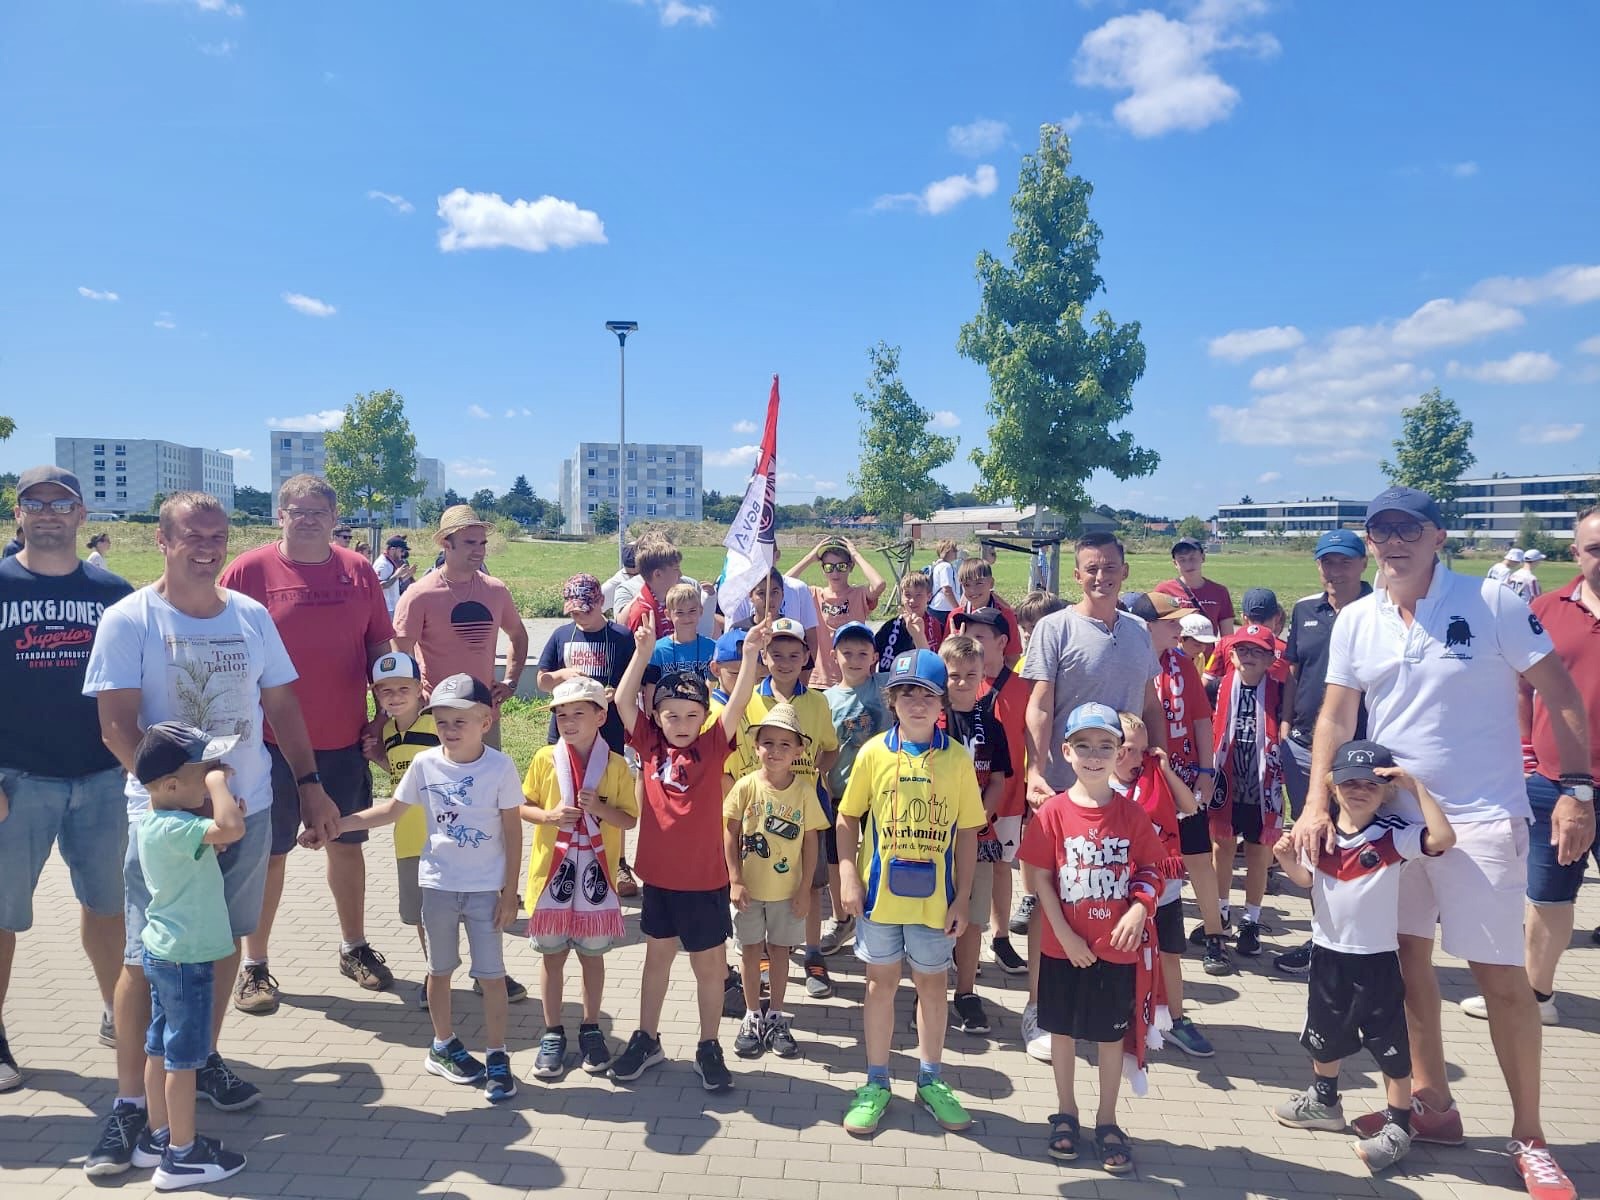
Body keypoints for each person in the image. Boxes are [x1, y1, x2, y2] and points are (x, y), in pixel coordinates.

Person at [1295, 484, 1592, 1199]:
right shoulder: (1359, 619)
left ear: (1438, 537)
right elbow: (1335, 720)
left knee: (1501, 980)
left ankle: (1530, 1136)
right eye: (1379, 531)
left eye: (1407, 529)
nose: (1392, 542)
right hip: (1395, 823)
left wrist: (1577, 789)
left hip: (1486, 819)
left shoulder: (1491, 603)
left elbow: (1561, 692)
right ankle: (1432, 1105)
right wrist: (1315, 806)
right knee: (1405, 967)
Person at [83, 491, 333, 1175]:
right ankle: (131, 1106)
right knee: (145, 959)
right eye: (194, 535)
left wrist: (309, 785)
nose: (209, 547)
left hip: (244, 811)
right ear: (162, 540)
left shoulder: (250, 616)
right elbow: (116, 724)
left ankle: (197, 1061)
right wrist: (172, 801)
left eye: (219, 536)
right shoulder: (130, 618)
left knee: (221, 944)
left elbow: (280, 700)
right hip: (166, 827)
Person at [219, 474, 396, 1013]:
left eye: (319, 509)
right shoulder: (248, 570)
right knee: (268, 855)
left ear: (334, 514)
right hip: (268, 745)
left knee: (346, 844)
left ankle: (354, 946)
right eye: (297, 510)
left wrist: (385, 714)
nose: (309, 517)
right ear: (280, 515)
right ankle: (256, 965)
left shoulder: (358, 570)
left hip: (344, 738)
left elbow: (380, 645)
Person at [311, 673, 524, 1103]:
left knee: (492, 976)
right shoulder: (426, 765)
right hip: (439, 886)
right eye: (442, 721)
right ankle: (443, 1044)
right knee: (439, 970)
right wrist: (338, 825)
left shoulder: (499, 767)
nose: (449, 729)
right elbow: (391, 810)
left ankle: (497, 1054)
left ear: (486, 721)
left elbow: (513, 831)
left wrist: (509, 892)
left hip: (485, 890)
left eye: (460, 721)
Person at [0, 465, 133, 1095]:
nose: (49, 512)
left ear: (83, 515)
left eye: (63, 503)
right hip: (15, 778)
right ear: (18, 513)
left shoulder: (114, 593)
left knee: (109, 908)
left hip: (102, 778)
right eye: (35, 502)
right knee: (1, 916)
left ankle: (121, 1012)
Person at [1271, 740, 1456, 1174]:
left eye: (1370, 783)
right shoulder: (1320, 836)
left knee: (1390, 1046)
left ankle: (1398, 1126)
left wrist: (1415, 786)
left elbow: (1443, 839)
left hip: (1375, 960)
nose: (1359, 790)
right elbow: (1306, 880)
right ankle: (1324, 1100)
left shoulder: (1392, 835)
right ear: (1333, 787)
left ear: (1385, 790)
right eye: (1349, 782)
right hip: (1328, 957)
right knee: (1323, 1032)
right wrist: (1284, 859)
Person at [607, 611, 772, 1091]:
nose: (680, 723)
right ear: (656, 716)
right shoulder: (649, 744)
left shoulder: (715, 744)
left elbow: (738, 702)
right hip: (658, 878)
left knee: (709, 966)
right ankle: (647, 1038)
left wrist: (748, 657)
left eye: (691, 715)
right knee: (655, 960)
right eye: (671, 715)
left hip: (704, 880)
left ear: (706, 717)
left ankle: (708, 1045)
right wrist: (641, 653)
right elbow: (621, 698)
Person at [1458, 507, 1600, 1026]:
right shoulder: (1546, 608)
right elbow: (1520, 687)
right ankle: (1539, 996)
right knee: (1547, 897)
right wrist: (1526, 751)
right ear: (1576, 553)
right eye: (1594, 549)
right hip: (1555, 782)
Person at [836, 649, 986, 1138]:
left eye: (926, 695)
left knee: (932, 987)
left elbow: (968, 831)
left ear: (941, 701)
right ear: (892, 701)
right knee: (879, 985)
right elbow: (847, 816)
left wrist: (963, 896)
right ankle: (876, 1081)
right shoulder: (874, 752)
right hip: (880, 896)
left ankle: (930, 1080)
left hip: (936, 901)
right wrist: (847, 873)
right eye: (905, 695)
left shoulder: (957, 758)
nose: (916, 704)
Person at [1017, 702, 1164, 1175]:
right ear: (1066, 751)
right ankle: (1066, 1111)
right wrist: (1064, 934)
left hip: (1115, 951)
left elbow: (1151, 870)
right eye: (1084, 746)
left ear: (1120, 752)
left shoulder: (1132, 815)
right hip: (1064, 948)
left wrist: (1139, 909)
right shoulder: (1053, 814)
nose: (1095, 755)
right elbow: (1037, 879)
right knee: (1061, 1032)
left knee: (1107, 1038)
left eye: (1105, 746)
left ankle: (1106, 1119)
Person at [128, 722, 250, 1190]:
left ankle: (158, 1137)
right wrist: (221, 785)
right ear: (173, 785)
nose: (211, 777)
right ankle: (181, 1155)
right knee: (184, 1058)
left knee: (159, 1047)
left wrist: (220, 808)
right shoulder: (176, 826)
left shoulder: (159, 824)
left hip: (167, 954)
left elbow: (219, 835)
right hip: (187, 960)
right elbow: (231, 829)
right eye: (203, 772)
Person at [520, 676, 637, 1080]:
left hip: (597, 881)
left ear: (600, 716)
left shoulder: (617, 765)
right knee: (552, 958)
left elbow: (630, 818)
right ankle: (552, 1031)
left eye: (578, 713)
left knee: (592, 957)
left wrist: (601, 809)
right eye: (561, 714)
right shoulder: (543, 759)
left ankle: (590, 1027)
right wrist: (549, 816)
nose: (568, 721)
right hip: (551, 878)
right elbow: (523, 806)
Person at [721, 617, 840, 999]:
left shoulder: (818, 701)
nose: (785, 661)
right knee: (762, 878)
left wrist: (811, 776)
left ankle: (813, 953)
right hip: (760, 803)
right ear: (765, 658)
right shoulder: (750, 698)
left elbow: (831, 747)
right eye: (776, 654)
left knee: (810, 882)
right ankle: (770, 958)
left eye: (793, 654)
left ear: (807, 656)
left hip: (804, 804)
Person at [1274, 528, 1372, 976]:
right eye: (1328, 562)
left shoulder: (1380, 610)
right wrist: (1287, 722)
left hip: (1364, 749)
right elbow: (1294, 672)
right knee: (1317, 839)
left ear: (1362, 564)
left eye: (1345, 561)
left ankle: (1363, 941)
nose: (1336, 570)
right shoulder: (1304, 610)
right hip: (1305, 743)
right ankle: (1321, 937)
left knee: (1361, 841)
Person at [1121, 590, 1228, 977]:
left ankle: (1215, 933)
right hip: (1139, 779)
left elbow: (1201, 719)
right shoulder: (1130, 661)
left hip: (1182, 777)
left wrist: (1206, 770)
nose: (1180, 627)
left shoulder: (1182, 664)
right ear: (1147, 626)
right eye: (1172, 621)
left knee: (1198, 854)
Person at [724, 703, 829, 1060]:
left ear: (800, 750)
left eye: (786, 744)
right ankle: (752, 1014)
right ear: (756, 747)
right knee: (751, 952)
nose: (776, 751)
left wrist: (804, 889)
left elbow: (811, 840)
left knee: (781, 952)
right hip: (749, 891)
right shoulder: (744, 787)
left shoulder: (803, 791)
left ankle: (777, 1016)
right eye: (768, 743)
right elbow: (730, 832)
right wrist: (734, 879)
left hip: (787, 892)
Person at [1111, 712, 1211, 1057]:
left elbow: (1191, 807)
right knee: (1117, 954)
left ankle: (1176, 1019)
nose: (1136, 759)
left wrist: (1166, 769)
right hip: (1117, 893)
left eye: (1142, 750)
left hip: (1161, 890)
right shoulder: (1102, 785)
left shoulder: (1157, 781)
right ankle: (1113, 1016)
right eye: (1126, 749)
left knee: (1169, 954)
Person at [394, 505, 528, 749]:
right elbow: (400, 651)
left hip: (482, 714)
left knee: (486, 783)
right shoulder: (419, 594)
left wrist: (511, 681)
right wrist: (413, 695)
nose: (479, 551)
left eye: (482, 543)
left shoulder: (496, 590)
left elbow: (517, 635)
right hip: (435, 716)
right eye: (470, 543)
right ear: (446, 544)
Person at [939, 635, 1012, 1039]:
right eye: (954, 676)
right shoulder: (931, 718)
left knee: (971, 918)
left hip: (978, 833)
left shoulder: (992, 725)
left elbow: (999, 781)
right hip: (932, 834)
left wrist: (977, 816)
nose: (963, 682)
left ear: (983, 673)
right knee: (933, 915)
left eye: (971, 674)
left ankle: (965, 992)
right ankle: (927, 989)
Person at [951, 608, 1028, 979]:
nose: (964, 681)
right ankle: (951, 959)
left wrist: (985, 811)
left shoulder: (1021, 688)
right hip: (946, 821)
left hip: (998, 807)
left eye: (981, 636)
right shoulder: (943, 707)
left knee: (996, 874)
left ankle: (997, 942)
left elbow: (1027, 746)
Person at [364, 651, 443, 1008]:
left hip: (444, 837)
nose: (394, 697)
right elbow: (403, 780)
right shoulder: (389, 732)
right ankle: (434, 972)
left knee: (461, 910)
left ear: (419, 688)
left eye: (402, 688)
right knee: (421, 916)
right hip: (407, 838)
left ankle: (490, 973)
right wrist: (378, 758)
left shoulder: (438, 725)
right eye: (385, 691)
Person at [1206, 623, 1287, 958]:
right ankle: (1221, 911)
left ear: (1270, 659)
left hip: (1262, 787)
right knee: (1221, 848)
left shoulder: (1280, 691)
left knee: (1258, 854)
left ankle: (1251, 919)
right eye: (1241, 650)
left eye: (1257, 651)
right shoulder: (1219, 687)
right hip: (1228, 782)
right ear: (1231, 654)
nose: (1247, 657)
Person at [818, 621, 891, 958]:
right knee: (837, 858)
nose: (855, 659)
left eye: (863, 652)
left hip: (883, 792)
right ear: (834, 657)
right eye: (847, 653)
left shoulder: (885, 686)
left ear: (875, 656)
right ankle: (841, 917)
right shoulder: (828, 700)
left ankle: (878, 913)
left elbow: (928, 671)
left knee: (878, 853)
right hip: (840, 790)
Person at [791, 538, 886, 687]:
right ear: (823, 569)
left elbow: (879, 584)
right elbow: (785, 584)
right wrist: (810, 558)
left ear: (850, 567)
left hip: (854, 677)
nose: (835, 572)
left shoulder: (859, 594)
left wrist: (855, 555)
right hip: (820, 679)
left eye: (841, 566)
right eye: (829, 567)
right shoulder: (814, 594)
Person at [1156, 537, 1236, 638]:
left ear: (1203, 557)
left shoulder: (1220, 592)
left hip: (1208, 653)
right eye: (1182, 560)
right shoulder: (1164, 590)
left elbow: (1227, 636)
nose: (1188, 564)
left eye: (1192, 558)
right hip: (1175, 652)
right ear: (1175, 563)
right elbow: (1156, 631)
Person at [872, 570, 944, 670]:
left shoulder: (937, 626)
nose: (912, 600)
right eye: (908, 595)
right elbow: (872, 656)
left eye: (918, 595)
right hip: (892, 680)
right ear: (901, 596)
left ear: (929, 596)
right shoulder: (890, 627)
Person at [957, 556, 1020, 665]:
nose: (973, 590)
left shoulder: (1005, 616)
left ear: (991, 583)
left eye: (979, 583)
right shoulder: (956, 616)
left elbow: (1013, 658)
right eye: (967, 585)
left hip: (996, 679)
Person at [649, 582, 717, 678]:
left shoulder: (714, 648)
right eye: (680, 613)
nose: (687, 617)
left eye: (692, 611)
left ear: (701, 611)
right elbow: (650, 689)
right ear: (668, 614)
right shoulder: (658, 650)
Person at [374, 535, 414, 617]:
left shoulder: (390, 562)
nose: (402, 554)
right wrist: (397, 575)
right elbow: (379, 586)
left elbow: (394, 583)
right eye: (401, 551)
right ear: (392, 549)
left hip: (393, 607)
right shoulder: (382, 564)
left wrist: (408, 575)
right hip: (386, 609)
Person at [600, 542, 640, 619]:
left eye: (638, 574)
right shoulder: (616, 582)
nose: (634, 578)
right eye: (629, 574)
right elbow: (594, 609)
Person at [928, 539, 963, 618]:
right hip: (944, 610)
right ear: (946, 552)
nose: (956, 551)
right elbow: (947, 589)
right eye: (954, 550)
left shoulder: (939, 565)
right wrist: (958, 609)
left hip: (938, 607)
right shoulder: (946, 567)